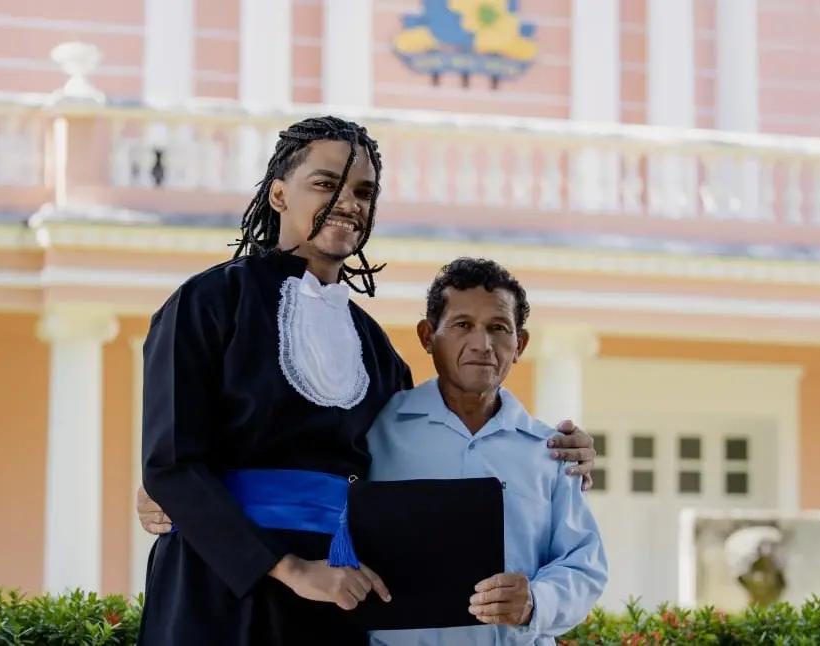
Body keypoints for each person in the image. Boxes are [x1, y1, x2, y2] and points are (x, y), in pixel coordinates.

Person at [135, 115, 598, 646]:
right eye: (326, 183)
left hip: (342, 601)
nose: (349, 202)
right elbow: (172, 465)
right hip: (217, 589)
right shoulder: (208, 304)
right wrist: (290, 568)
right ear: (279, 194)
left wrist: (557, 453)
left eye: (363, 192)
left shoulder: (375, 349)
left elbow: (418, 455)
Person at [367, 257, 607, 645]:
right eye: (462, 325)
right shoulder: (375, 432)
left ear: (519, 344)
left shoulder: (551, 451)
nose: (482, 344)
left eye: (498, 328)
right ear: (428, 336)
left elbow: (584, 565)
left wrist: (535, 602)